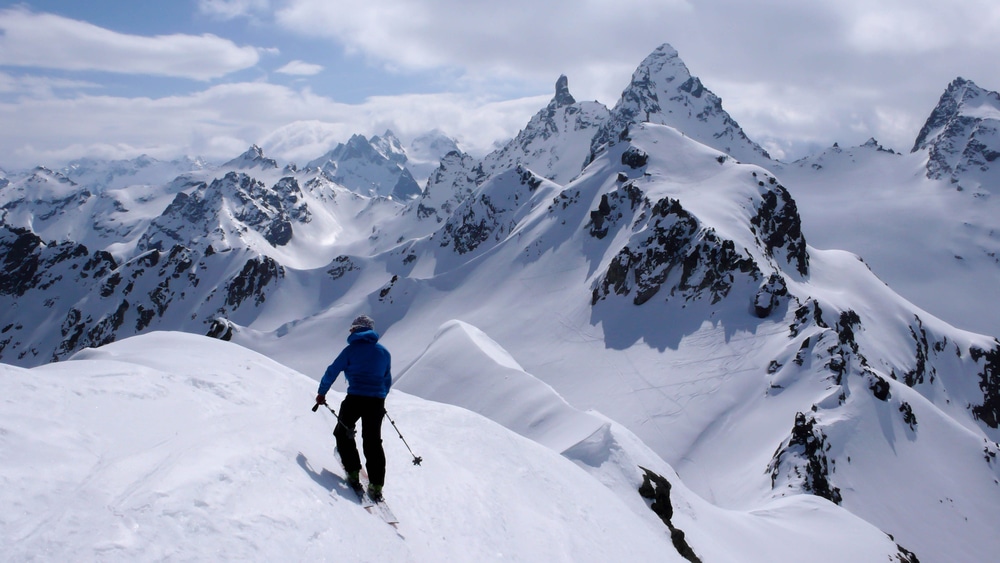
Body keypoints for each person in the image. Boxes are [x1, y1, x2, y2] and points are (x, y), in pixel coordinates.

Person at [315, 315, 392, 501]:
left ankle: (353, 471)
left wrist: (321, 393)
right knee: (373, 441)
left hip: (355, 399)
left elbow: (332, 371)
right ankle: (376, 484)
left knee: (343, 433)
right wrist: (380, 397)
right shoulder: (383, 352)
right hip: (376, 402)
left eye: (352, 329)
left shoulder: (350, 351)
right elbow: (386, 379)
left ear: (357, 330)